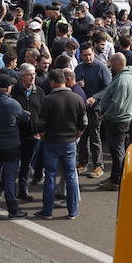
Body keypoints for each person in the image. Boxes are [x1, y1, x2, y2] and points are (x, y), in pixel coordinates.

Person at [37, 68, 86, 219]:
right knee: (70, 175)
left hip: (51, 142)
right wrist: (76, 134)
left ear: (52, 82)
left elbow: (41, 124)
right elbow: (83, 123)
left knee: (50, 176)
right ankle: (73, 211)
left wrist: (44, 136)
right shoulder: (77, 98)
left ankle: (47, 211)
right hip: (70, 142)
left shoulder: (48, 100)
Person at [0, 74, 30, 217]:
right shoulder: (12, 104)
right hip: (11, 146)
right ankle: (12, 208)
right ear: (8, 88)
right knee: (9, 177)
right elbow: (25, 118)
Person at [88, 53, 132, 191]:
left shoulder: (122, 80)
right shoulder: (126, 77)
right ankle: (116, 177)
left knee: (117, 151)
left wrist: (105, 115)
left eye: (112, 64)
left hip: (117, 119)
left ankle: (116, 180)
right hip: (120, 118)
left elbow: (117, 104)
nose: (110, 67)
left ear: (118, 64)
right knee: (117, 151)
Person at [74, 45, 111, 178]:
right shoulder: (78, 68)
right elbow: (72, 84)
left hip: (96, 108)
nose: (88, 57)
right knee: (82, 136)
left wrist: (95, 97)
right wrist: (77, 85)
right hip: (81, 108)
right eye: (84, 55)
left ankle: (98, 165)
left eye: (89, 54)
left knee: (95, 137)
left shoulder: (101, 67)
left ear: (93, 53)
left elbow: (108, 87)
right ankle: (82, 163)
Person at [12, 66, 45, 198]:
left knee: (27, 164)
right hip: (16, 134)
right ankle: (4, 187)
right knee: (12, 163)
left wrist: (40, 131)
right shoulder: (14, 91)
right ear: (21, 76)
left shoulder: (40, 92)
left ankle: (23, 190)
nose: (32, 77)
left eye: (33, 74)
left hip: (33, 134)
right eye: (28, 75)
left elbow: (43, 113)